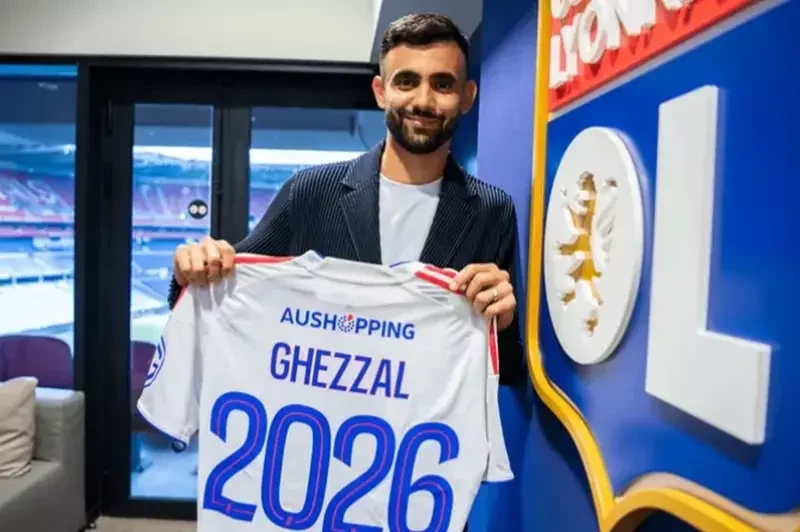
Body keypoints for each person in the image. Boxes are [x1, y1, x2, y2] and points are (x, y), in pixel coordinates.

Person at [170, 12, 525, 383]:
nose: (423, 101)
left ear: (467, 97)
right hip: (320, 416)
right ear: (381, 91)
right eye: (406, 82)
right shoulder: (311, 192)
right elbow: (228, 295)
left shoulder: (492, 210)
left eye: (442, 84)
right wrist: (192, 272)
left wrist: (500, 322)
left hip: (428, 418)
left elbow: (510, 369)